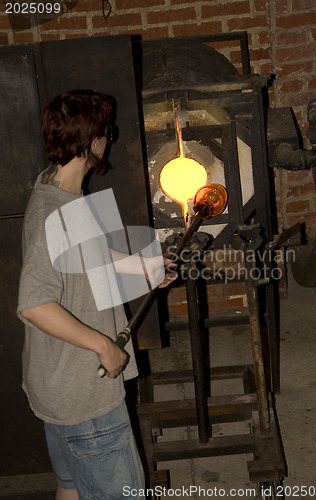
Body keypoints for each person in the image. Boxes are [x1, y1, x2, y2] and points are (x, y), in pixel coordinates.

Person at [17, 90, 175, 500]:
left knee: (70, 487)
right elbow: (34, 304)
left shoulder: (56, 187)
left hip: (59, 389)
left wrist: (143, 269)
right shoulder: (52, 214)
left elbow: (85, 255)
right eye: (108, 131)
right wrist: (104, 346)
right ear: (93, 142)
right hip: (84, 392)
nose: (110, 139)